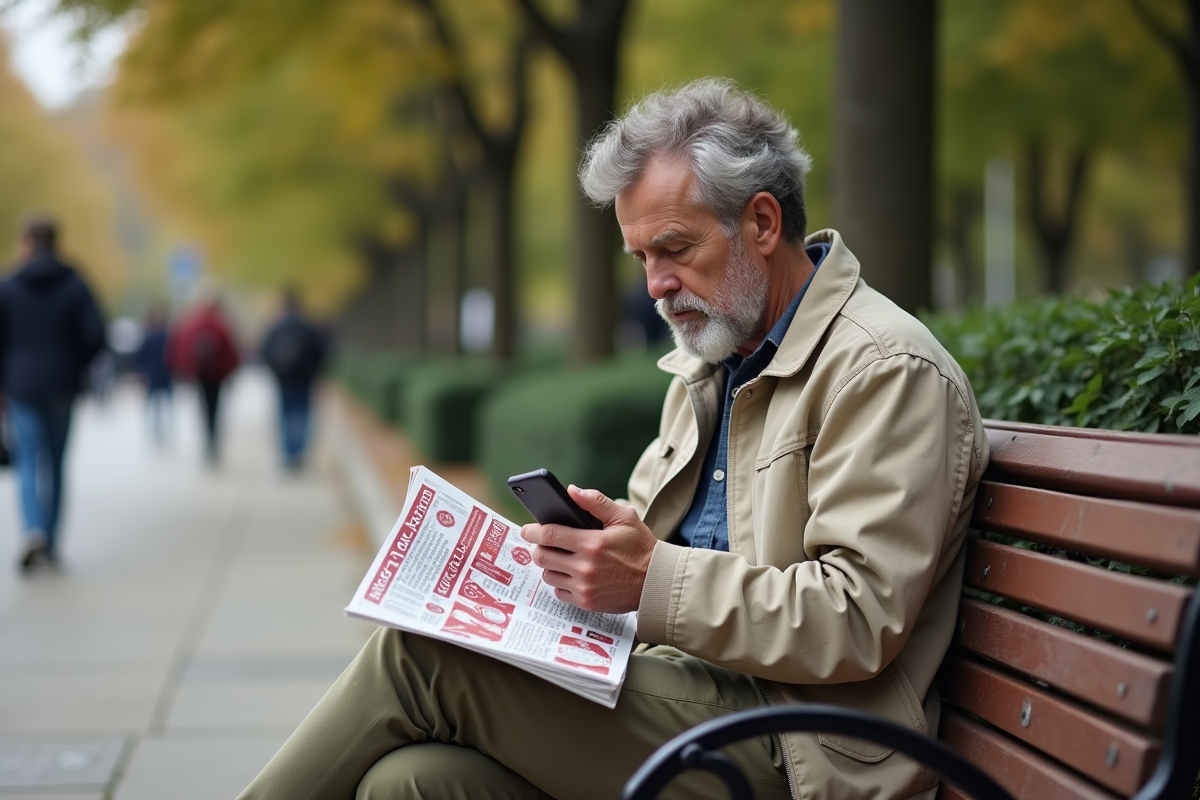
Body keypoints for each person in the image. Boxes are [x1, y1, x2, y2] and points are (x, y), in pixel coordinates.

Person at [238, 79, 988, 800]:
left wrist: (649, 578)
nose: (655, 284)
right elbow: (650, 559)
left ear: (761, 223)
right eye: (640, 259)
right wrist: (567, 572)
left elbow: (856, 620)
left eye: (674, 249)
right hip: (687, 692)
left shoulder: (886, 369)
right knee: (407, 785)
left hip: (804, 745)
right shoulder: (708, 365)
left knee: (422, 656)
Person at [0, 214, 106, 572]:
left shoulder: (10, 286)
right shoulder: (76, 284)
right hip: (63, 383)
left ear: (28, 242)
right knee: (56, 464)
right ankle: (52, 537)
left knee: (28, 458)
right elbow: (96, 336)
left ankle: (33, 530)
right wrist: (74, 362)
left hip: (22, 385)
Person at [260, 288, 326, 470]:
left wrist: (276, 372)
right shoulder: (309, 326)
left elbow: (265, 352)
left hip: (283, 379)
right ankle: (299, 450)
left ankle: (288, 452)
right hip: (305, 379)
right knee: (303, 413)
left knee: (284, 414)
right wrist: (314, 372)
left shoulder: (276, 326)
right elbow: (320, 352)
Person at [168, 293, 239, 464]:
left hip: (200, 374)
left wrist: (184, 371)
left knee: (203, 408)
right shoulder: (221, 323)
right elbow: (231, 351)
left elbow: (180, 347)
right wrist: (230, 372)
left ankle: (207, 442)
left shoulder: (192, 323)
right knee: (215, 409)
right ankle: (213, 442)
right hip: (217, 375)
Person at [136, 306, 174, 443]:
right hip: (164, 374)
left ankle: (155, 427)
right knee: (165, 402)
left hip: (153, 374)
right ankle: (165, 427)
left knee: (153, 402)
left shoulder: (148, 337)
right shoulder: (165, 336)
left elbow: (140, 357)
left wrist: (142, 371)